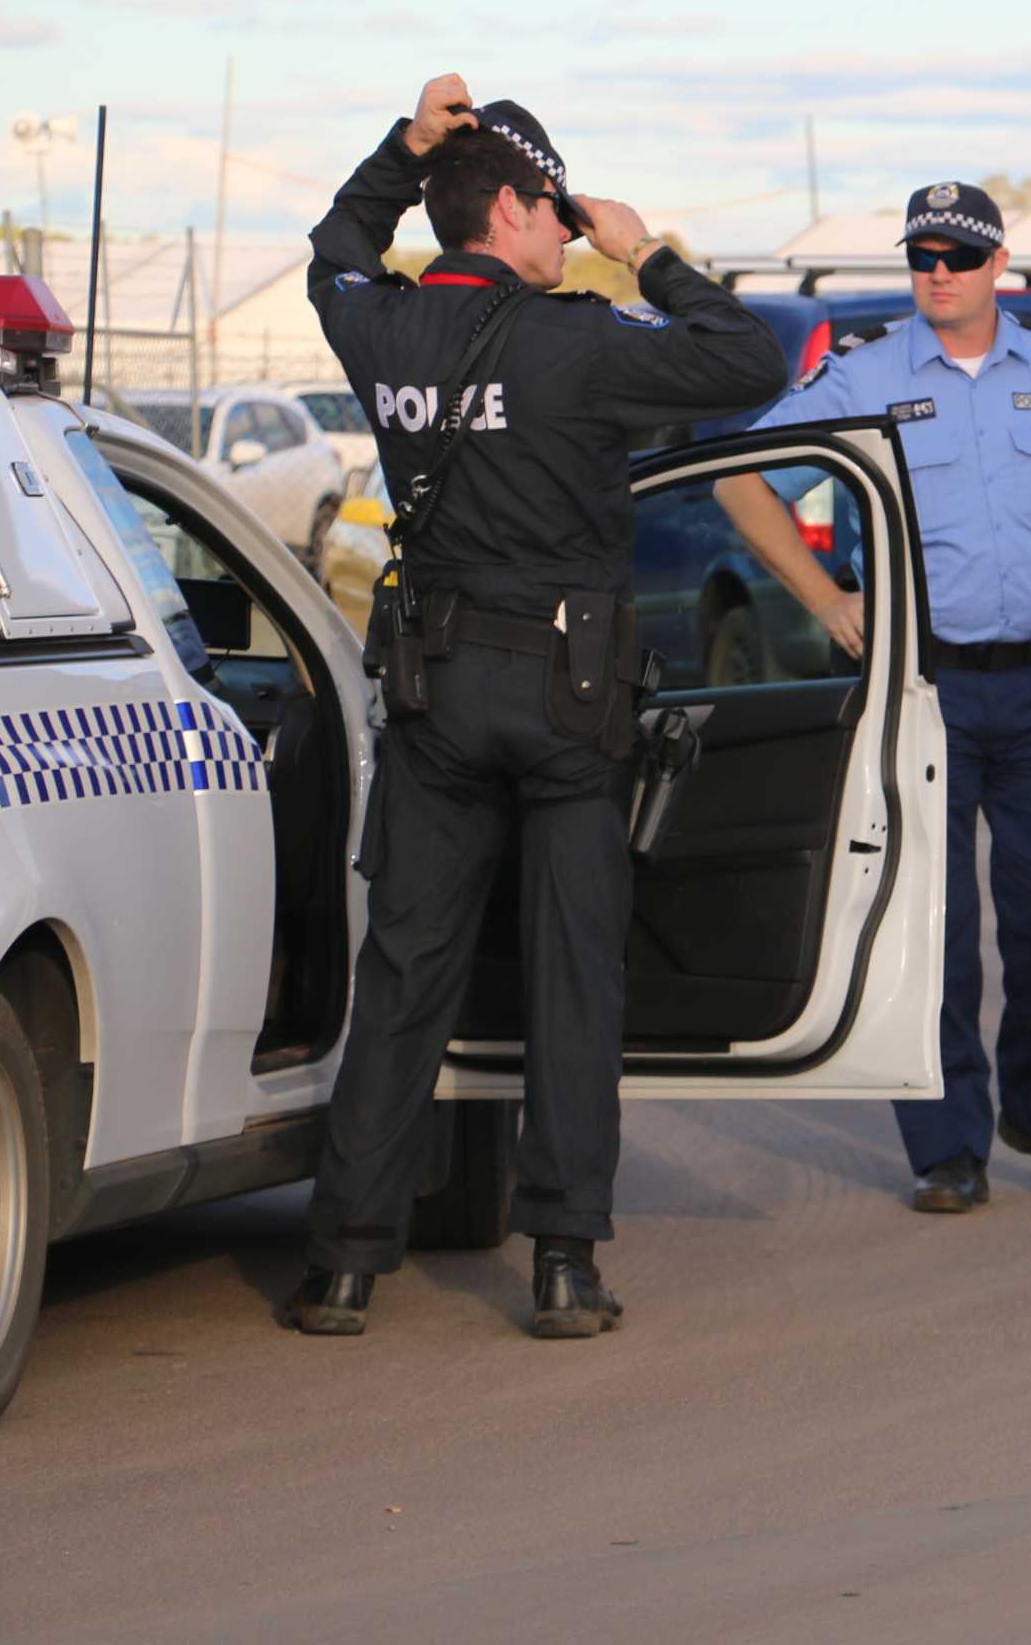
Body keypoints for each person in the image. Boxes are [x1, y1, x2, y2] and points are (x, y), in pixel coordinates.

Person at [287, 73, 789, 1338]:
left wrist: (408, 145)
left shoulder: (378, 324)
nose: (571, 231)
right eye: (555, 210)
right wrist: (650, 253)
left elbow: (338, 244)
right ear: (507, 205)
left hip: (437, 691)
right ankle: (564, 1255)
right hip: (569, 702)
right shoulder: (577, 336)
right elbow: (751, 359)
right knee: (575, 974)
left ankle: (348, 1254)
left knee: (405, 966)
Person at [717, 182, 1031, 1214]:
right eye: (922, 255)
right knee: (936, 925)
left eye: (956, 254)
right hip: (924, 685)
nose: (937, 271)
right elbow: (741, 480)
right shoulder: (864, 374)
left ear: (999, 265)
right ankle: (948, 1143)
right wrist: (827, 597)